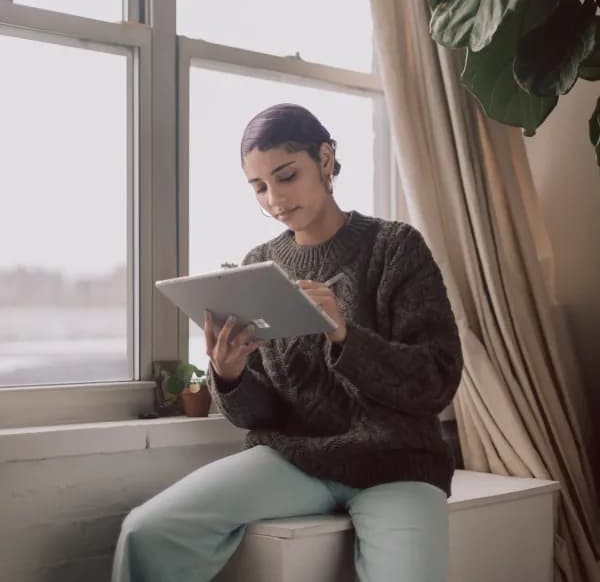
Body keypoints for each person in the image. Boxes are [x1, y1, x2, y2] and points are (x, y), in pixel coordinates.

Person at [111, 103, 463, 582]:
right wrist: (230, 374)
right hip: (295, 460)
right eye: (259, 186)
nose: (274, 198)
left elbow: (436, 380)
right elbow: (262, 415)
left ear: (324, 158)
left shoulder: (395, 247)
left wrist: (343, 333)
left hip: (398, 464)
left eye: (286, 176)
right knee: (146, 531)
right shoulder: (260, 264)